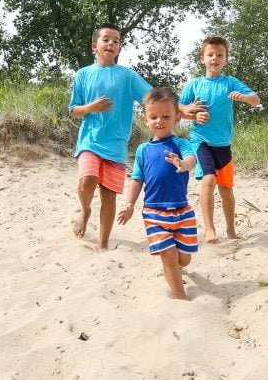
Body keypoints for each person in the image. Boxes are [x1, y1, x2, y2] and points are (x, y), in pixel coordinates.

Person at [69, 23, 152, 251]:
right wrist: (90, 108)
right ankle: (85, 210)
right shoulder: (83, 74)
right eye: (106, 40)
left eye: (115, 41)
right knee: (87, 181)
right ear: (95, 46)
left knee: (108, 195)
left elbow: (151, 98)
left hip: (116, 144)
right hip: (90, 140)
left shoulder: (127, 76)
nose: (111, 44)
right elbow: (73, 109)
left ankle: (103, 244)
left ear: (119, 49)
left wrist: (181, 108)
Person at [117, 87, 198, 300]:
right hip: (154, 212)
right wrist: (130, 205)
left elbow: (192, 159)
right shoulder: (143, 150)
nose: (159, 121)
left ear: (177, 118)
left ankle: (177, 268)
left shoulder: (181, 144)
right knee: (169, 256)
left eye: (166, 116)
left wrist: (184, 164)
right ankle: (181, 298)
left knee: (184, 260)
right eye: (154, 117)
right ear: (145, 119)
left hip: (182, 211)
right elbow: (136, 180)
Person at [179, 36, 260, 244]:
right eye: (210, 55)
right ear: (202, 58)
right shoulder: (195, 85)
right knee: (208, 179)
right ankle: (209, 230)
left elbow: (255, 100)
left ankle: (231, 230)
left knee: (226, 190)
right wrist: (193, 116)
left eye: (219, 55)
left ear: (226, 59)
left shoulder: (230, 82)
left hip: (223, 144)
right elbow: (178, 110)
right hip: (200, 140)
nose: (215, 58)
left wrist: (243, 97)